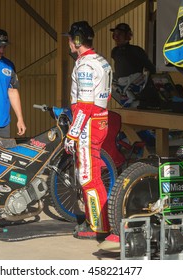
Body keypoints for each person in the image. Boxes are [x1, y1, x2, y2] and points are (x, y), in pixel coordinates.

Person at [63, 21, 112, 240]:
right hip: (100, 120)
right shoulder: (101, 60)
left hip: (88, 125)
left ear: (77, 41)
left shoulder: (84, 65)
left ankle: (98, 226)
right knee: (92, 175)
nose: (69, 42)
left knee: (87, 177)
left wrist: (72, 133)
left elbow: (85, 104)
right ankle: (97, 220)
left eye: (71, 38)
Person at [109, 23, 156, 107]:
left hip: (135, 85)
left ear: (127, 36)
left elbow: (151, 69)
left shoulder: (136, 50)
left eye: (120, 34)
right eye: (115, 34)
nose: (116, 37)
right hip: (122, 85)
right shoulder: (115, 51)